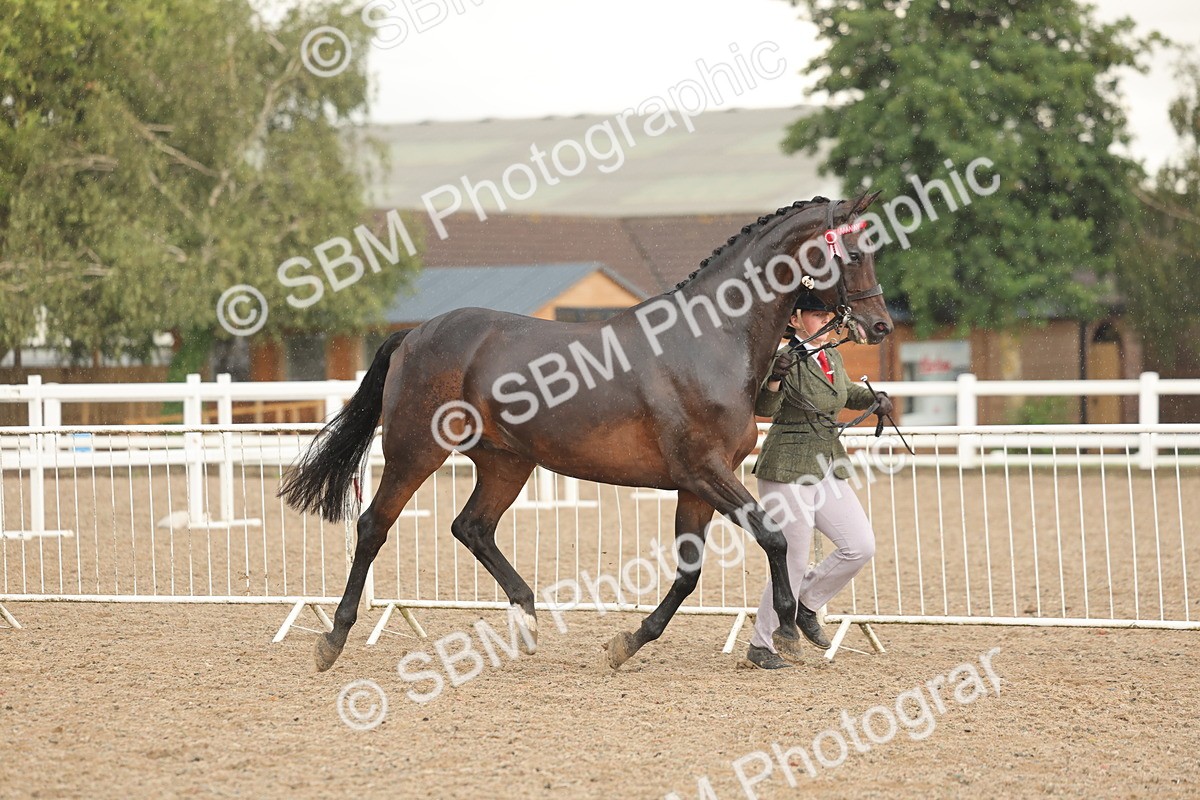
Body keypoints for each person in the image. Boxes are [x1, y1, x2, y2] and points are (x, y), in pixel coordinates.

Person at [744, 291, 893, 669]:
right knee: (793, 557)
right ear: (794, 319)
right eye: (815, 315)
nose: (825, 322)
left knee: (859, 545)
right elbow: (764, 408)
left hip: (827, 461)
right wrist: (776, 378)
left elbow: (843, 393)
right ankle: (763, 643)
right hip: (788, 464)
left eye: (828, 315)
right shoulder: (781, 357)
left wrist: (875, 398)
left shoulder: (832, 354)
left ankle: (806, 605)